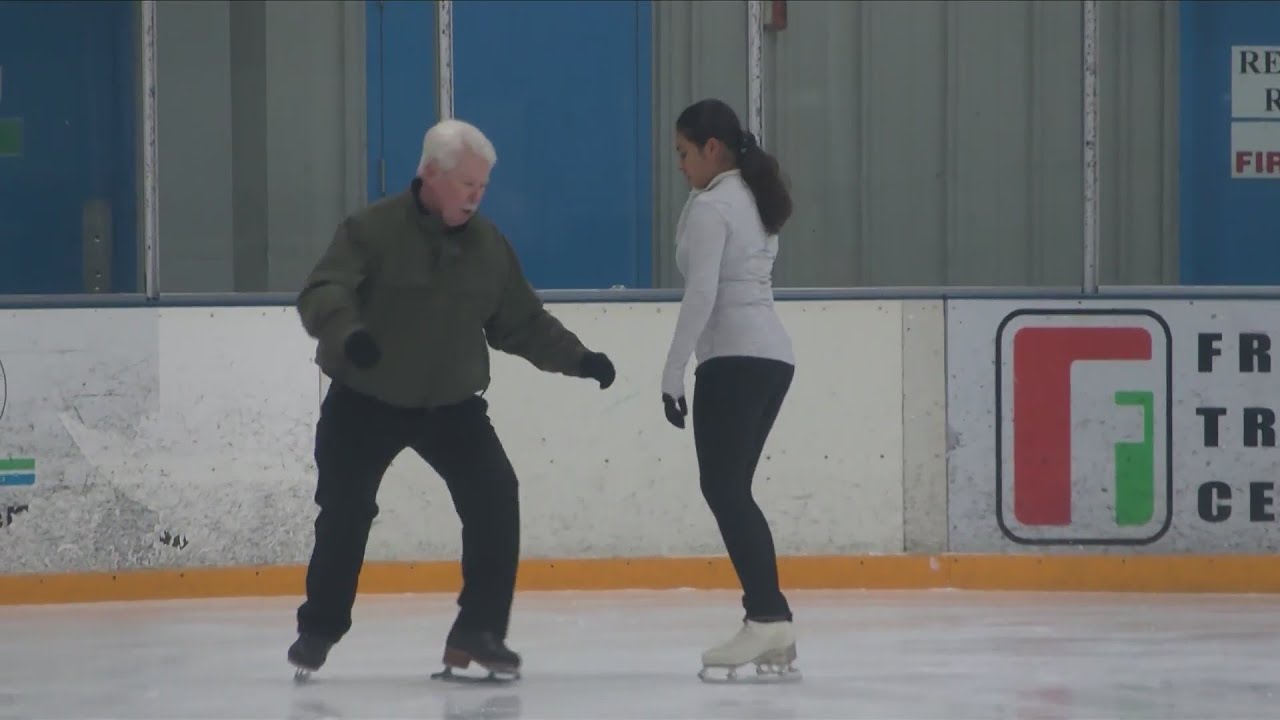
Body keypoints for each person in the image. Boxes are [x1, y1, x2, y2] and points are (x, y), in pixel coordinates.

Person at [287, 118, 617, 681]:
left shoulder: (488, 246)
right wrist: (349, 335)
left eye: (483, 186)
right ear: (430, 174)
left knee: (494, 496)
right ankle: (320, 627)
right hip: (365, 398)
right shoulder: (371, 230)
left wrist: (580, 359)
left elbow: (521, 322)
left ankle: (479, 631)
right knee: (345, 511)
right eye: (467, 184)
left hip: (450, 405)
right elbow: (323, 291)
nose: (476, 196)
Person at [659, 99, 799, 680]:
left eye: (684, 152)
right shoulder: (749, 197)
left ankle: (767, 617)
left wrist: (672, 372)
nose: (680, 165)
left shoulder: (715, 205)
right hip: (771, 360)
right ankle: (771, 622)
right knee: (732, 490)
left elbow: (702, 293)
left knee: (725, 490)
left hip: (735, 361)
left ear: (711, 148)